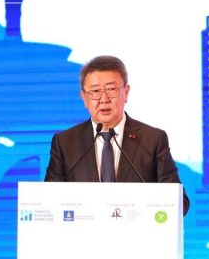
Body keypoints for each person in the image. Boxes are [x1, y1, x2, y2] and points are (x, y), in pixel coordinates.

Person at [44, 55, 191, 215]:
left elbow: (180, 203)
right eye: (95, 91)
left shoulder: (153, 140)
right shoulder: (65, 143)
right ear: (84, 98)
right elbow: (49, 203)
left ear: (126, 92)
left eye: (111, 90)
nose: (104, 99)